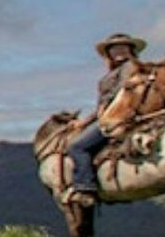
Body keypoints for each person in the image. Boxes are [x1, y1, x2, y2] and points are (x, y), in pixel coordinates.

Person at [62, 33, 145, 207]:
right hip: (109, 115)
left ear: (131, 50)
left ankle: (85, 187)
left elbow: (120, 94)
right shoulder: (112, 73)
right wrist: (85, 122)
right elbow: (101, 107)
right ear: (109, 53)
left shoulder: (130, 67)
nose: (119, 51)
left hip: (119, 117)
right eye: (114, 48)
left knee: (76, 147)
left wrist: (89, 121)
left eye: (123, 47)